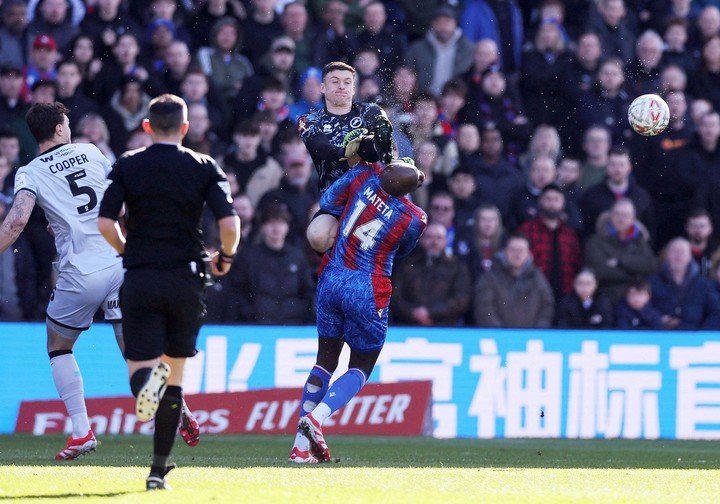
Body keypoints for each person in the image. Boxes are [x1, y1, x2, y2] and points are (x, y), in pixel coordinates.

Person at [97, 94, 240, 490]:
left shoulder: (127, 165)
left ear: (147, 127)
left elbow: (105, 223)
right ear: (185, 128)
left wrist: (129, 249)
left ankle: (147, 385)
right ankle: (157, 472)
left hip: (141, 277)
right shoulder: (204, 166)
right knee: (175, 381)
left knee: (141, 372)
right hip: (187, 278)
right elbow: (229, 224)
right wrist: (225, 257)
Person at [0, 102, 124, 460]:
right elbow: (121, 201)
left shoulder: (29, 172)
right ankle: (178, 408)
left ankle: (82, 431)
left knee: (59, 346)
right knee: (136, 351)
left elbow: (17, 221)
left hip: (81, 271)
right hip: (119, 260)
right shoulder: (90, 151)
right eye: (66, 122)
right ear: (58, 129)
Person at [292, 160, 426, 463]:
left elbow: (328, 202)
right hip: (368, 286)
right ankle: (317, 418)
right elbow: (402, 250)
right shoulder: (415, 217)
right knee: (362, 366)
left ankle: (300, 448)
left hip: (332, 274)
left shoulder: (365, 173)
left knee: (324, 361)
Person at [299, 61, 393, 253]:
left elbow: (385, 150)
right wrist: (347, 152)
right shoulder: (309, 120)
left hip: (373, 196)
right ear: (323, 87)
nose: (341, 86)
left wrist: (367, 147)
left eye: (347, 82)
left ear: (354, 88)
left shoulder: (371, 112)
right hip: (334, 198)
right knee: (317, 236)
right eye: (335, 81)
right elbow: (320, 148)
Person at [392, 222, 471, 326]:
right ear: (421, 240)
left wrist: (431, 313)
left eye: (439, 238)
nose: (434, 242)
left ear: (446, 241)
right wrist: (413, 313)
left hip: (446, 328)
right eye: (429, 237)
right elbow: (395, 296)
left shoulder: (457, 267)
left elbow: (461, 299)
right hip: (408, 326)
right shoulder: (407, 265)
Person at [474, 233, 555, 327]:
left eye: (521, 250)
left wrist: (537, 332)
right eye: (513, 250)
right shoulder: (490, 277)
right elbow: (484, 309)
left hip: (531, 338)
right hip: (497, 338)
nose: (517, 254)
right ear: (505, 251)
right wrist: (499, 334)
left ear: (528, 254)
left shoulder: (537, 278)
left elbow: (547, 307)